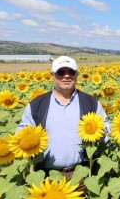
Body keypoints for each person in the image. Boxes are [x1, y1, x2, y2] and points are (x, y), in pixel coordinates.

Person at [17, 56, 111, 188]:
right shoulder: (36, 105)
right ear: (52, 75)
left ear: (77, 75)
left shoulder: (90, 102)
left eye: (71, 72)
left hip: (82, 175)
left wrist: (98, 132)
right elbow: (21, 134)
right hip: (46, 177)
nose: (66, 76)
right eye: (61, 72)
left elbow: (107, 128)